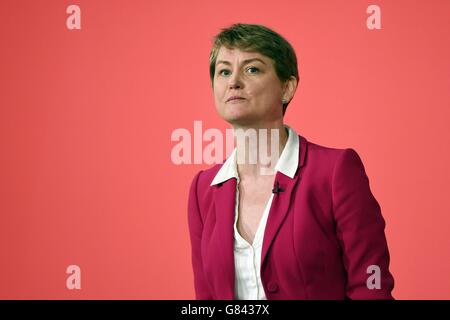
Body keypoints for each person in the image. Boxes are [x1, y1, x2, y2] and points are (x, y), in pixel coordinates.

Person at [187, 23, 394, 300]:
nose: (233, 81)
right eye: (224, 71)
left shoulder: (335, 172)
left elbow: (371, 288)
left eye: (252, 69)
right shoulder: (203, 189)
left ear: (287, 88)